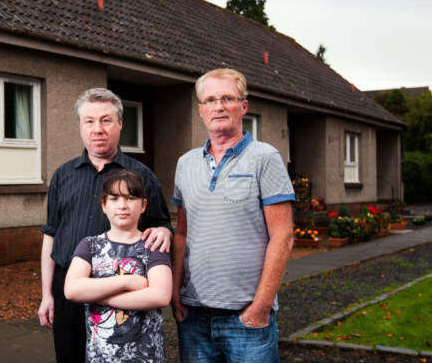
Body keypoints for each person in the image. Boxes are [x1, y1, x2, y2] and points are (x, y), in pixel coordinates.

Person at [39, 88, 173, 363]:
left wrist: (163, 230)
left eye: (105, 120)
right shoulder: (63, 175)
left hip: (127, 292)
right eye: (89, 121)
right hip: (71, 289)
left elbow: (161, 225)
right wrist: (46, 294)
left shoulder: (141, 175)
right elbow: (51, 235)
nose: (97, 129)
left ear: (120, 124)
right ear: (80, 126)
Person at [171, 68, 295, 362]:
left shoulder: (265, 158)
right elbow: (182, 233)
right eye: (210, 100)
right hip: (194, 318)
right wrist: (175, 294)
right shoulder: (185, 163)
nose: (219, 106)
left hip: (246, 319)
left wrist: (261, 306)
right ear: (201, 109)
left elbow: (283, 235)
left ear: (244, 106)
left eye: (228, 98)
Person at [64, 169, 172, 362]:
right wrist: (126, 281)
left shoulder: (152, 245)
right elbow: (73, 289)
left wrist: (104, 298)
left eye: (130, 198)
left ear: (143, 205)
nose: (122, 206)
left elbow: (160, 295)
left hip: (145, 355)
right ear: (104, 205)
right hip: (101, 356)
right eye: (114, 199)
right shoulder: (90, 245)